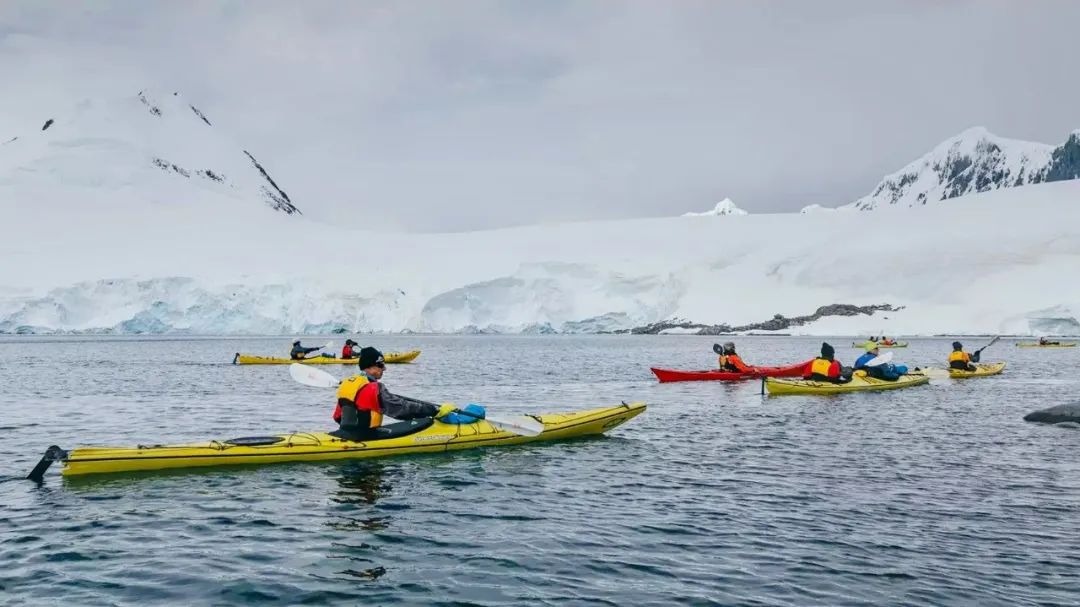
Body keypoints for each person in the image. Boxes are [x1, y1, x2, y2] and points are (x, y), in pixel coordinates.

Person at [333, 347, 486, 439]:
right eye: (381, 365)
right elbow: (401, 409)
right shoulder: (373, 388)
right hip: (365, 437)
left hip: (345, 434)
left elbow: (337, 417)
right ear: (370, 366)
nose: (384, 369)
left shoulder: (347, 384)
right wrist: (434, 410)